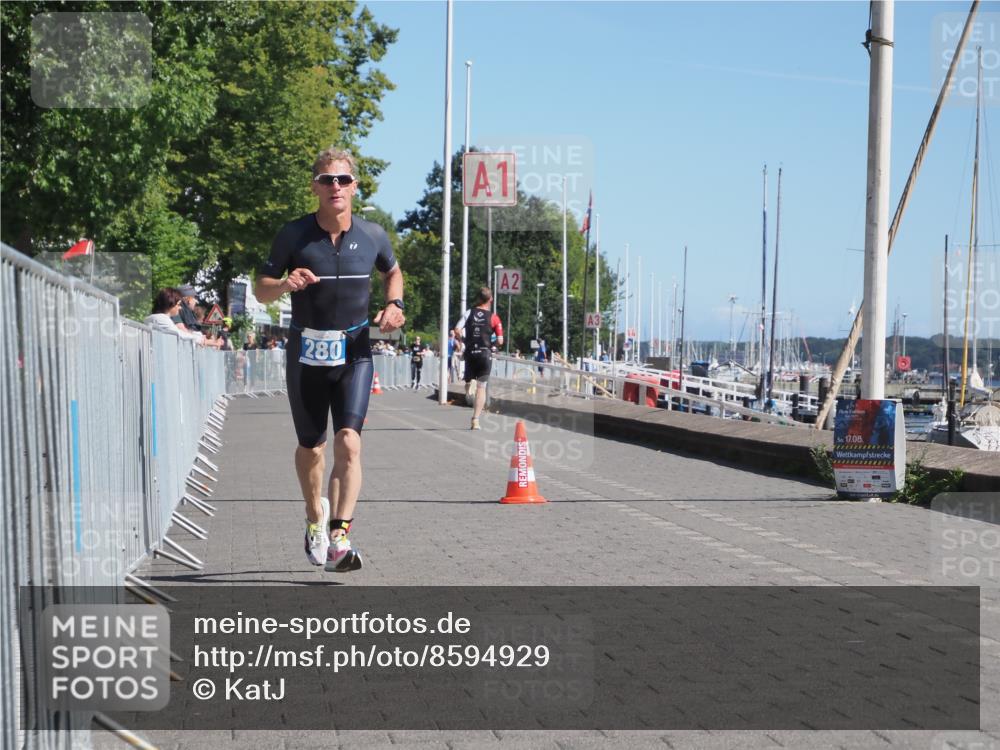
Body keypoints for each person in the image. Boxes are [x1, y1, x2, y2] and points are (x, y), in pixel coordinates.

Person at [254, 146, 404, 573]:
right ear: (315, 187)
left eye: (343, 179)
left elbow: (393, 271)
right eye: (327, 179)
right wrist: (285, 284)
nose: (335, 186)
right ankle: (313, 516)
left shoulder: (372, 235)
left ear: (354, 186)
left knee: (349, 442)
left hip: (355, 353)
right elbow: (262, 288)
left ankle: (340, 535)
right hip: (306, 355)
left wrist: (395, 304)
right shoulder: (294, 235)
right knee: (312, 447)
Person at [454, 287, 503, 430]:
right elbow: (500, 340)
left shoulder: (469, 312)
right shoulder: (494, 317)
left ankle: (469, 384)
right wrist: (492, 346)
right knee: (482, 387)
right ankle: (475, 420)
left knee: (469, 381)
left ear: (478, 299)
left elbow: (457, 330)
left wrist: (463, 340)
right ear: (491, 299)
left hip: (470, 352)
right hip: (485, 354)